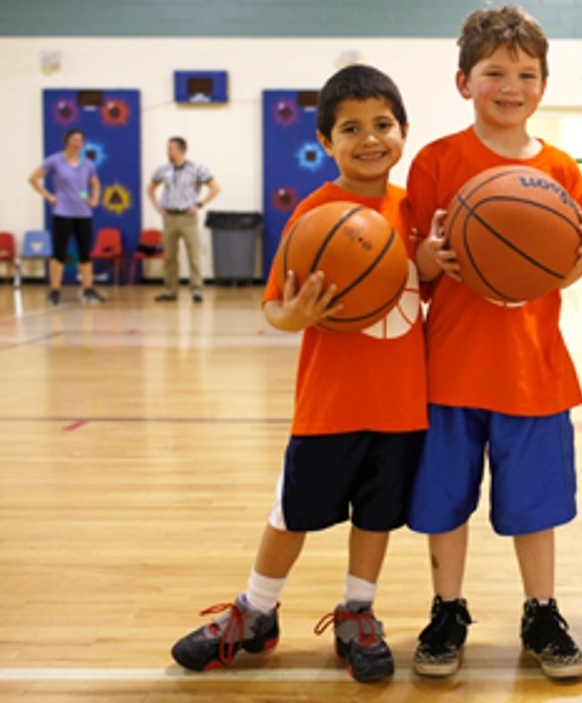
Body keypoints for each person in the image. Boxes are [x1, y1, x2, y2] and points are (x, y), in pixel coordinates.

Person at [170, 65, 426, 683]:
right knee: (292, 513)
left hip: (402, 403)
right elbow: (274, 309)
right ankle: (256, 611)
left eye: (382, 125)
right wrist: (297, 314)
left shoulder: (414, 210)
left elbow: (420, 284)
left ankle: (357, 611)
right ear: (324, 142)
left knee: (376, 515)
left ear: (404, 131)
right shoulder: (316, 213)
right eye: (351, 128)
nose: (370, 138)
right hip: (330, 403)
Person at [407, 4, 582, 681]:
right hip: (449, 369)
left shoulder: (563, 170)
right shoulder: (436, 161)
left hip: (532, 370)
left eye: (525, 73)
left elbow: (573, 264)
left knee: (534, 506)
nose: (510, 85)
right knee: (442, 503)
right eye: (494, 72)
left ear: (542, 85)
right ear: (464, 82)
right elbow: (415, 272)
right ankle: (447, 608)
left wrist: (570, 261)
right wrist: (431, 254)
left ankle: (541, 609)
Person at [28, 128, 106, 305]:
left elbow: (94, 184)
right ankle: (55, 289)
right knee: (59, 252)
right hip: (62, 212)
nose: (77, 143)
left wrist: (94, 198)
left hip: (83, 213)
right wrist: (48, 196)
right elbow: (33, 178)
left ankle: (88, 288)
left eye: (80, 140)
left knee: (85, 252)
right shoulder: (55, 161)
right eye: (74, 139)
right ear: (67, 141)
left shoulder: (87, 163)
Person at [146, 137, 221, 303]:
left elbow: (215, 188)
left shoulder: (196, 169)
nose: (169, 152)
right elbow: (150, 188)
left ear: (181, 150)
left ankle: (196, 290)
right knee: (170, 256)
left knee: (193, 254)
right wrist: (157, 206)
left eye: (172, 148)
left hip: (188, 216)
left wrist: (200, 204)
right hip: (170, 217)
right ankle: (170, 290)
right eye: (168, 148)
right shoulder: (163, 170)